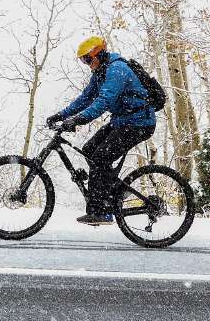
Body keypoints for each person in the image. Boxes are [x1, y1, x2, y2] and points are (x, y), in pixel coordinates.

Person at [46, 36, 157, 226]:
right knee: (90, 150)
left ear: (99, 53)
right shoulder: (100, 72)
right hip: (123, 121)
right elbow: (85, 98)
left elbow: (103, 102)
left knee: (101, 156)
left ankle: (103, 212)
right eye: (83, 60)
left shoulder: (117, 70)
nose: (86, 64)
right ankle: (115, 190)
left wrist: (78, 120)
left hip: (140, 122)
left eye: (87, 59)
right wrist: (61, 115)